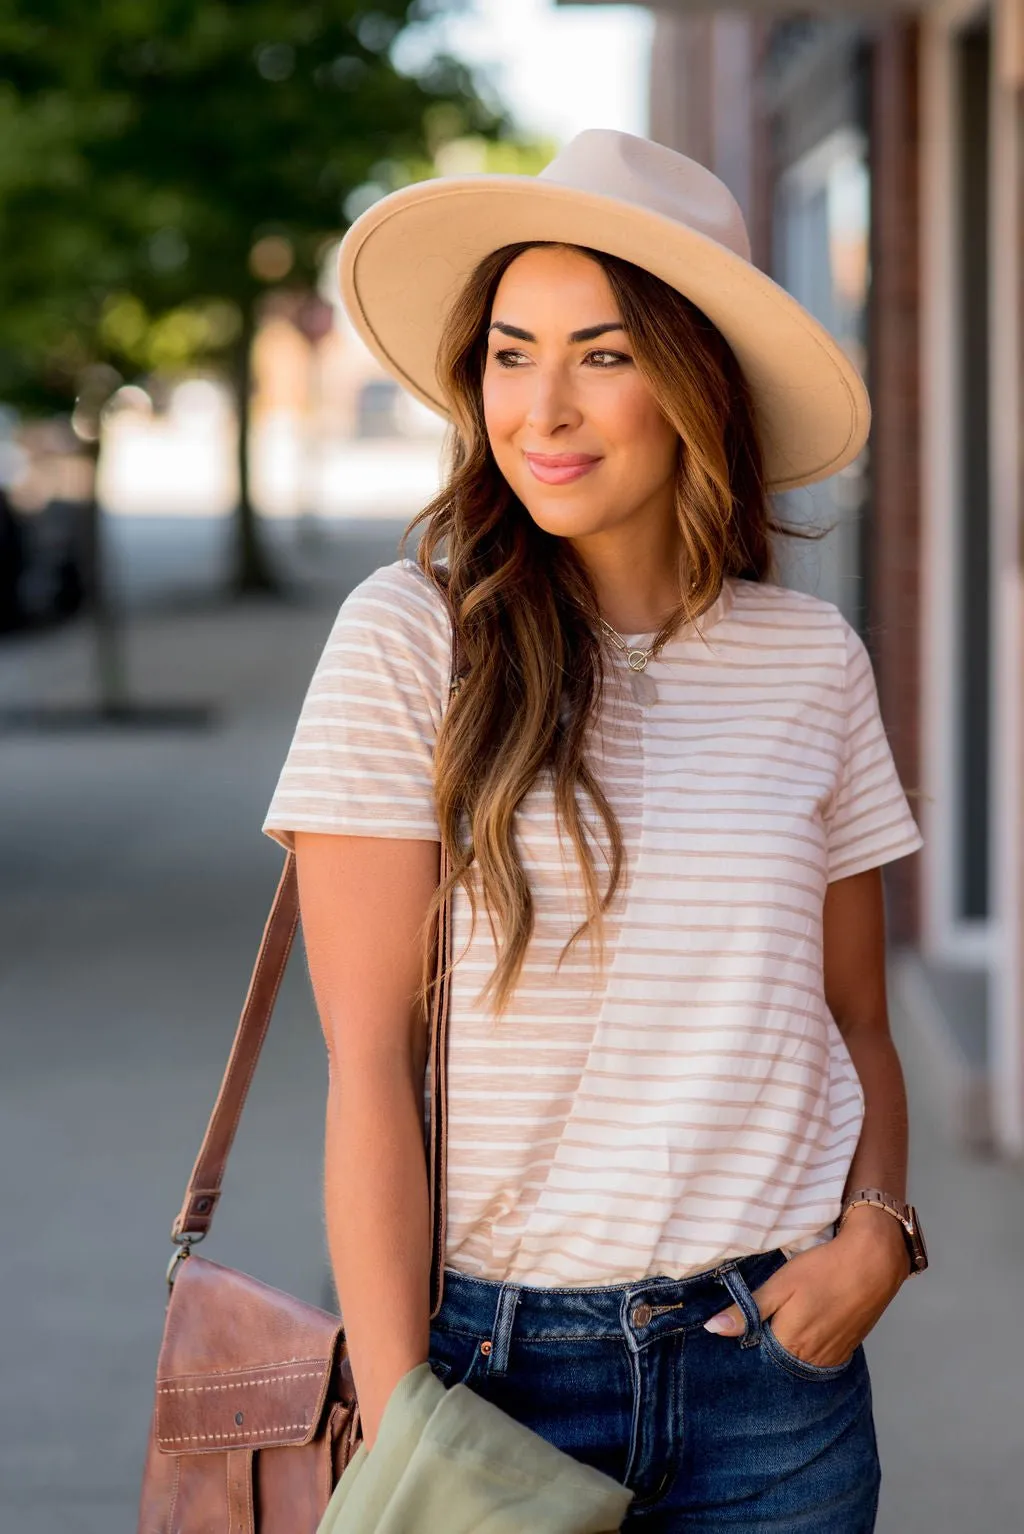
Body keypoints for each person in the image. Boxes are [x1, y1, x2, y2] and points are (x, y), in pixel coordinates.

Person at [262, 130, 926, 1533]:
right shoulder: (408, 639)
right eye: (511, 352)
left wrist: (880, 1227)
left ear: (698, 383)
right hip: (491, 1383)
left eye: (603, 355)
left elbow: (857, 1015)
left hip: (775, 1382)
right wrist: (402, 1436)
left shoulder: (813, 661)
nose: (541, 407)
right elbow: (367, 1065)